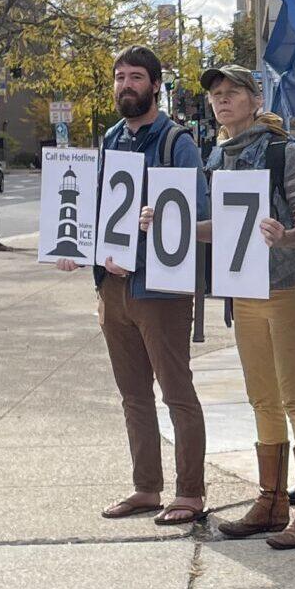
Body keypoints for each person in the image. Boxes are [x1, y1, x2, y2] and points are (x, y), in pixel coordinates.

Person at [177, 66, 295, 546]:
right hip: (244, 291)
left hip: (286, 287)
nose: (222, 100)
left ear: (256, 99)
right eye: (216, 94)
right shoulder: (218, 156)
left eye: (232, 92)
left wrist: (286, 236)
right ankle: (271, 500)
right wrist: (171, 224)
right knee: (261, 397)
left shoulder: (283, 152)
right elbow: (223, 226)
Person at [69, 48, 207, 525]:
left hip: (160, 289)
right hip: (113, 286)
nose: (126, 85)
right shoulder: (111, 139)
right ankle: (146, 488)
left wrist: (155, 223)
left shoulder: (176, 142)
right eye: (119, 77)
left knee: (176, 393)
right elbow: (98, 208)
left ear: (155, 85)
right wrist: (80, 246)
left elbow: (195, 214)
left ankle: (190, 493)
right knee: (133, 395)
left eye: (136, 77)